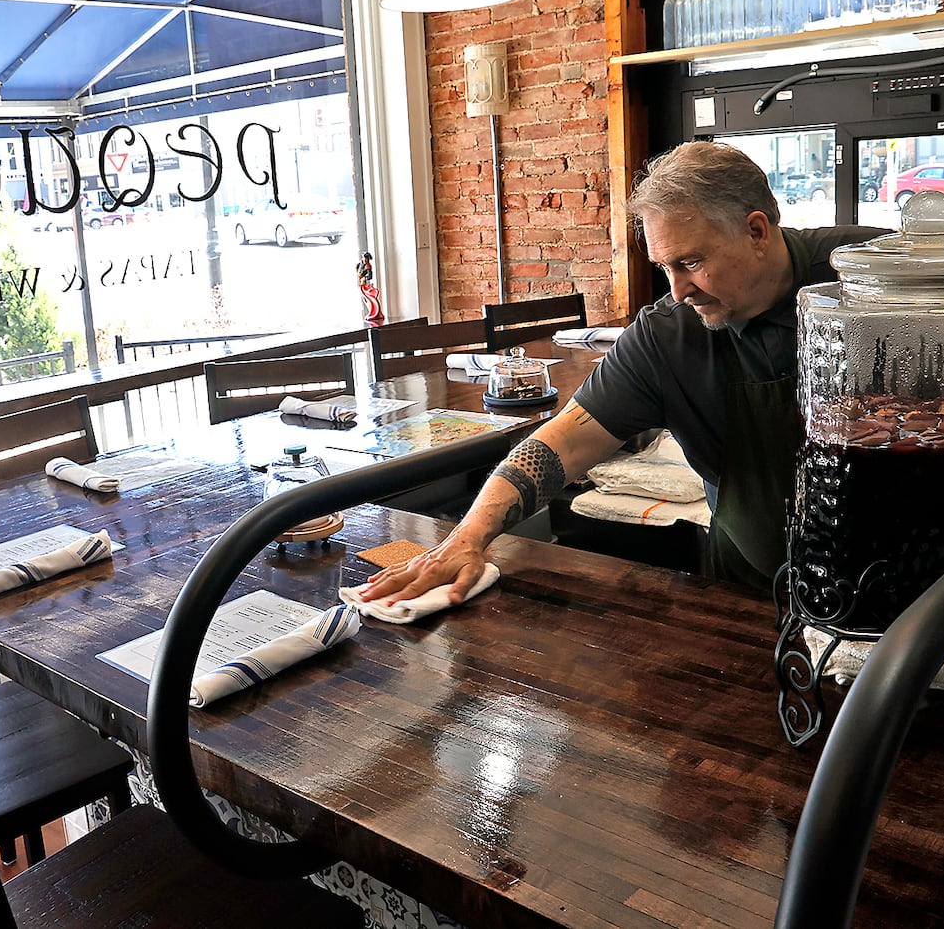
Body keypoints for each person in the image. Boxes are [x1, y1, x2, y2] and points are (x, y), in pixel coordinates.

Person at [358, 141, 881, 606]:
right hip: (750, 595)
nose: (678, 291)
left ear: (757, 231)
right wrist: (467, 537)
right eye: (665, 269)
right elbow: (561, 444)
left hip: (900, 595)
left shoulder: (879, 278)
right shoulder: (668, 336)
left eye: (691, 262)